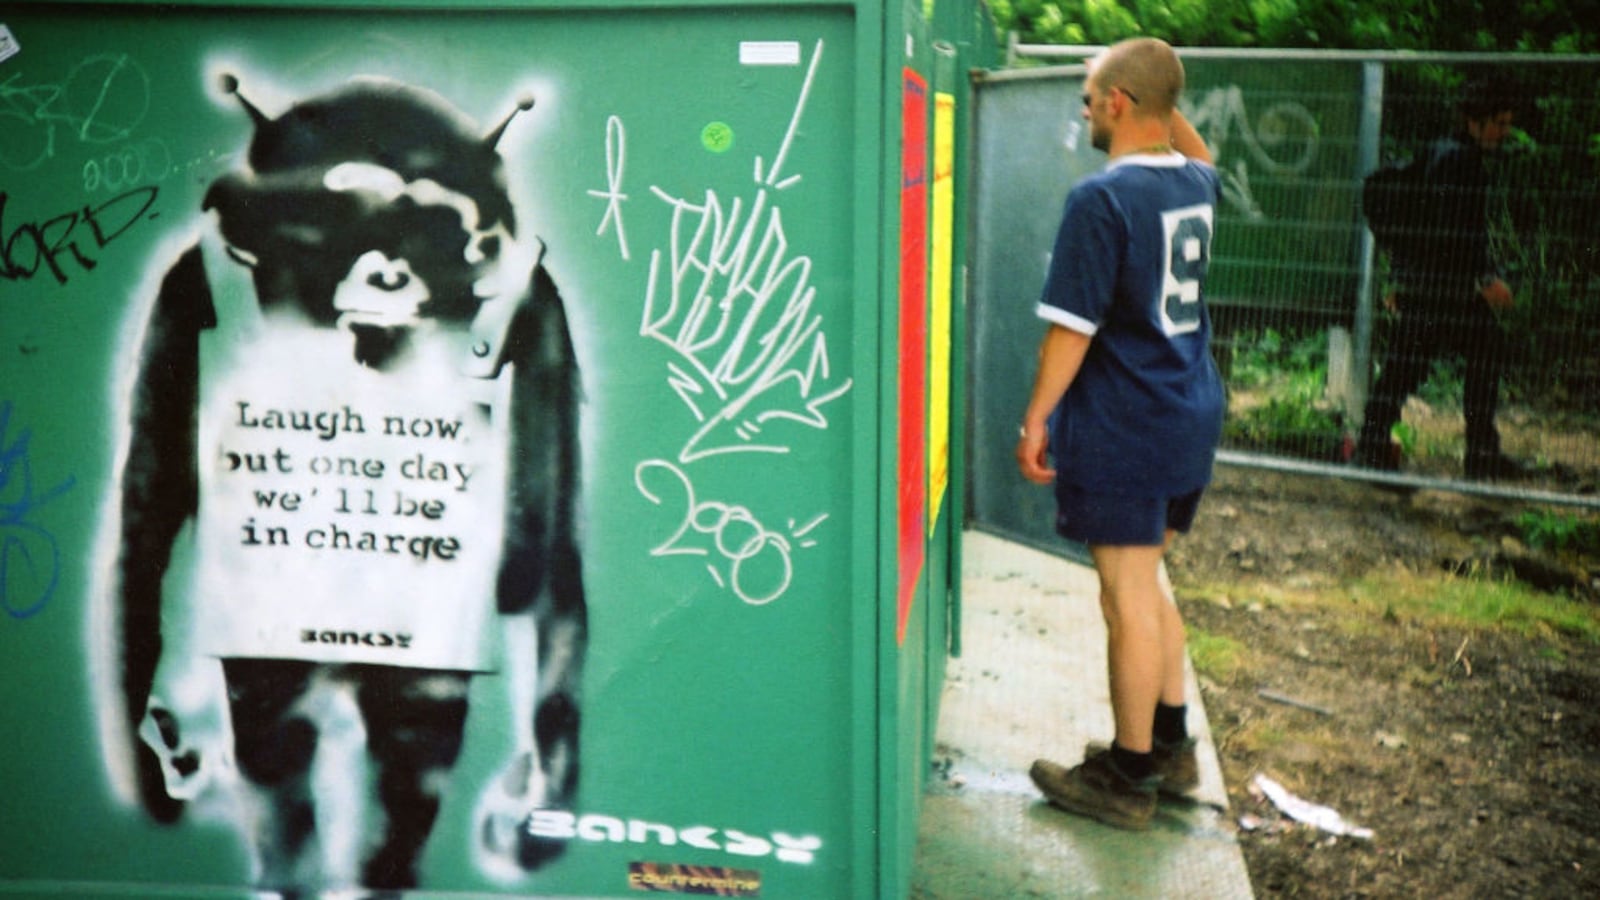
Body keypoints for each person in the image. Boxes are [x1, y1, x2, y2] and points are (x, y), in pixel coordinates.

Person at [1014, 37, 1223, 830]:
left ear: (1118, 103)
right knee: (1147, 580)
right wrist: (1160, 94)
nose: (1083, 111)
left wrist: (1037, 419)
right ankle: (1170, 746)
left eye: (1089, 96)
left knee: (1125, 593)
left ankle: (1129, 777)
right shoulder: (1197, 180)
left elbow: (1071, 330)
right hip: (1187, 410)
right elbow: (1190, 144)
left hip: (1128, 421)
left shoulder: (1100, 200)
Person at [1356, 87, 1519, 480]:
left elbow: (1419, 221)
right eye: (1498, 123)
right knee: (1465, 353)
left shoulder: (1440, 152)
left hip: (1429, 285)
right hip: (1442, 289)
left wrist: (1402, 279)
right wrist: (1485, 280)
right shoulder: (1461, 161)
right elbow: (1455, 229)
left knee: (1406, 365)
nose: (1504, 132)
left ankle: (1373, 447)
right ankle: (1479, 455)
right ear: (1474, 122)